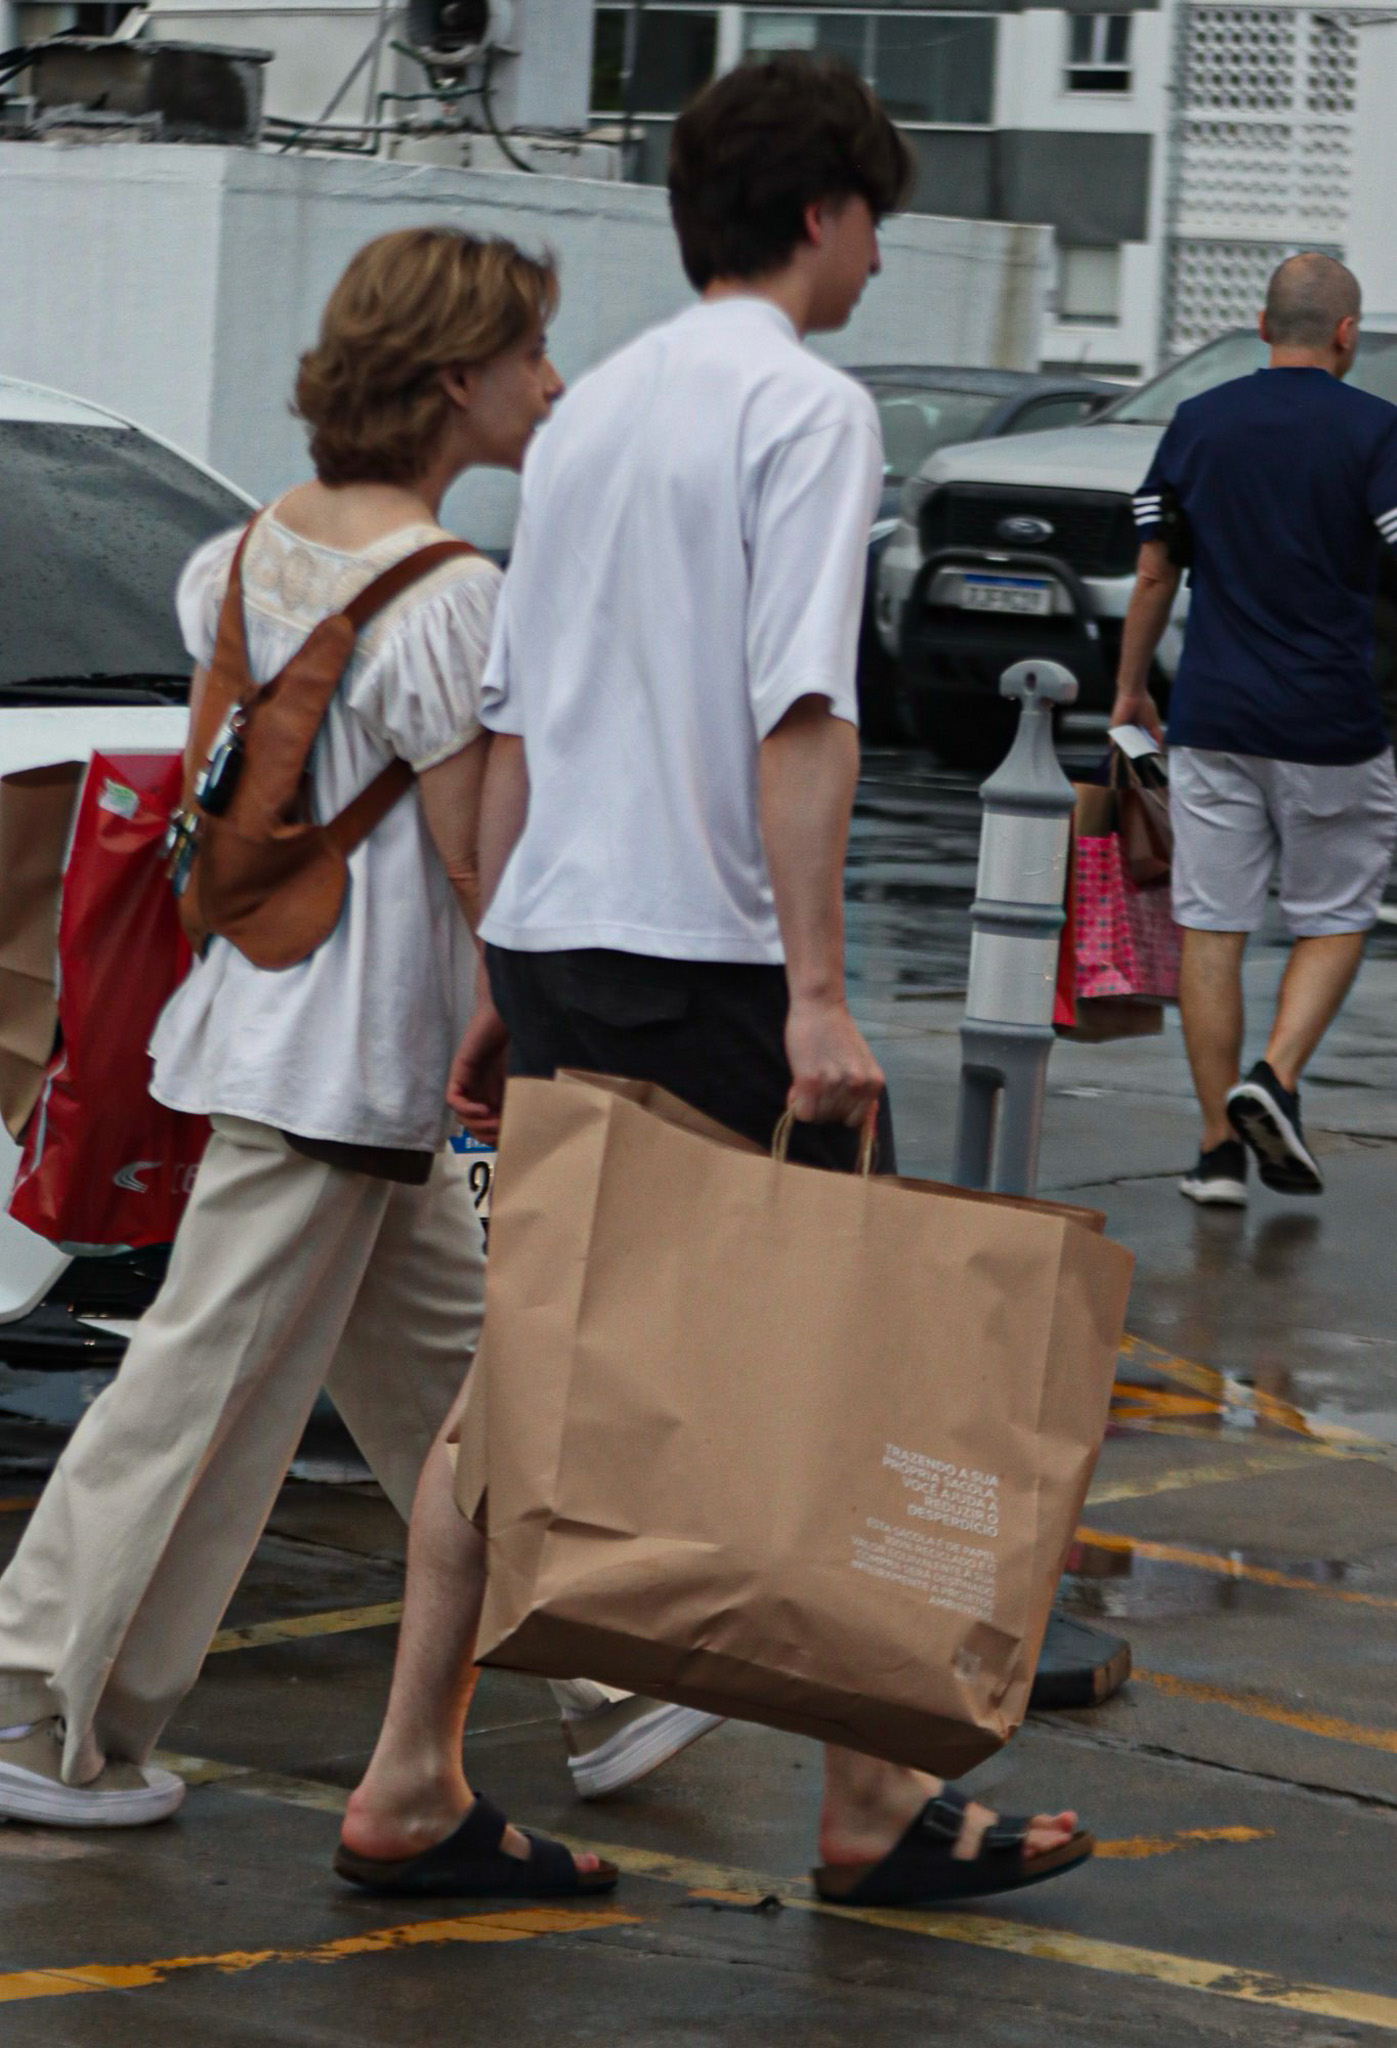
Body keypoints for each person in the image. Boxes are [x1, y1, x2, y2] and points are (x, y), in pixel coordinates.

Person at [336, 56, 1090, 1911]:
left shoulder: (585, 420)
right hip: (719, 955)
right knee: (864, 1352)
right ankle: (865, 1799)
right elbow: (803, 711)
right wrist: (820, 992)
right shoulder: (803, 407)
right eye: (876, 225)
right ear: (824, 215)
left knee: (534, 1360)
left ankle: (413, 1774)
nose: (879, 262)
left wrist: (505, 950)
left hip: (574, 939)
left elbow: (518, 708)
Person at [0, 228, 619, 1876]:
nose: (548, 385)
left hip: (273, 1026)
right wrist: (523, 1018)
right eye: (525, 355)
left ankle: (611, 1668)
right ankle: (37, 1703)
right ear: (448, 384)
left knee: (458, 1381)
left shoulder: (243, 551)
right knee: (198, 1384)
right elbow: (481, 858)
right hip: (351, 1059)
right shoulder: (448, 594)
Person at [1113, 252, 1397, 1207]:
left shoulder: (1197, 423)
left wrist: (1126, 694)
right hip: (1331, 723)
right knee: (1336, 914)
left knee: (1211, 925)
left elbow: (1154, 571)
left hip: (1212, 716)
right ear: (1346, 334)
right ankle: (1271, 1079)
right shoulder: (1377, 431)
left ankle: (1214, 1156)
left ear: (1265, 326)